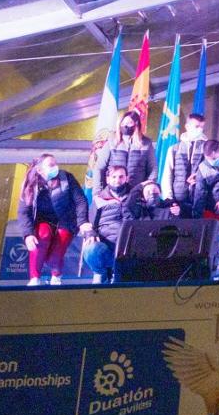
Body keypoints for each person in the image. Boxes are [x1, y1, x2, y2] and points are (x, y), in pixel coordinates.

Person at [17, 153, 90, 286]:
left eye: (56, 164)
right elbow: (23, 212)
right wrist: (28, 234)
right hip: (43, 221)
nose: (55, 167)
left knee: (55, 255)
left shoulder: (66, 178)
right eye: (51, 165)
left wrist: (82, 222)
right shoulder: (30, 185)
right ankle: (35, 278)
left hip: (66, 221)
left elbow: (80, 201)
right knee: (41, 236)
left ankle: (56, 276)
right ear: (39, 170)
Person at [192, 140, 219, 280]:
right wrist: (197, 214)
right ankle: (206, 270)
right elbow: (200, 193)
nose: (211, 161)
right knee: (208, 242)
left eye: (213, 157)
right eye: (208, 158)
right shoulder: (202, 168)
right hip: (209, 210)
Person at [82, 164, 132, 284]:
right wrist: (89, 234)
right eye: (114, 177)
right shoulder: (99, 199)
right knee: (90, 250)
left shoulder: (135, 197)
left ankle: (118, 274)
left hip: (130, 247)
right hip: (107, 246)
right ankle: (101, 273)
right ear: (107, 179)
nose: (117, 180)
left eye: (121, 177)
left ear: (127, 178)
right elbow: (89, 223)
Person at [93, 109, 155, 188]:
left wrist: (147, 189)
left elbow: (152, 169)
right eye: (123, 123)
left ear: (136, 124)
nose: (125, 126)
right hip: (113, 191)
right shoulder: (111, 141)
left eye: (129, 123)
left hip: (136, 192)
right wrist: (97, 192)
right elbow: (99, 168)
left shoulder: (146, 143)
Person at [160, 112, 208, 214]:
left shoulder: (207, 148)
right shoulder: (174, 149)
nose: (199, 129)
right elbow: (167, 175)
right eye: (196, 126)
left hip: (199, 200)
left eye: (202, 127)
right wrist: (169, 198)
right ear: (187, 126)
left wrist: (198, 177)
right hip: (178, 200)